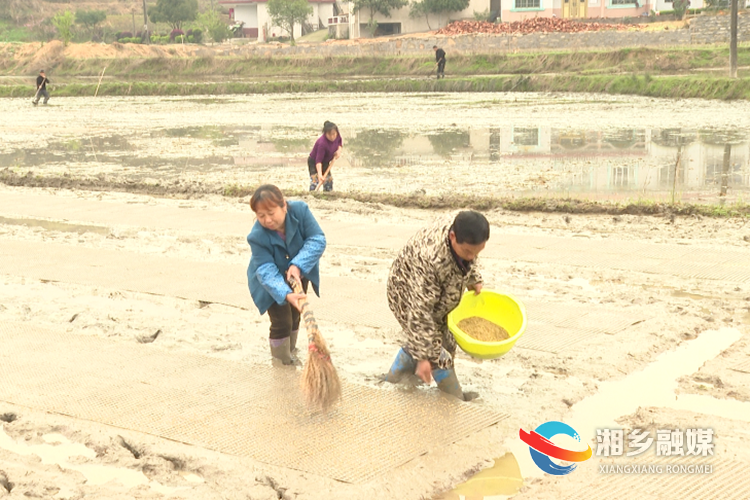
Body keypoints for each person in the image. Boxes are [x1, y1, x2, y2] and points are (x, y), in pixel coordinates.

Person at [385, 210, 490, 401]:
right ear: (452, 237)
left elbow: (470, 255)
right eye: (467, 252)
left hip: (434, 292)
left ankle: (394, 378)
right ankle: (454, 399)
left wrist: (473, 276)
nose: (472, 257)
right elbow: (420, 312)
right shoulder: (430, 260)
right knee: (438, 356)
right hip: (406, 293)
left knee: (447, 343)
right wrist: (425, 358)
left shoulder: (463, 228)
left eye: (477, 252)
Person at [246, 184, 326, 365]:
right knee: (282, 321)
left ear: (283, 206)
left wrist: (298, 265)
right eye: (261, 216)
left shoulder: (300, 211)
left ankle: (291, 352)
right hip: (269, 281)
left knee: (296, 316)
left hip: (298, 272)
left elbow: (317, 239)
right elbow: (266, 270)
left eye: (271, 213)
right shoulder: (256, 236)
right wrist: (286, 293)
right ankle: (281, 362)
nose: (267, 220)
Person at [308, 121, 343, 192]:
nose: (332, 136)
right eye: (330, 135)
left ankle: (328, 194)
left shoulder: (337, 136)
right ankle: (312, 194)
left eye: (334, 134)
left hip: (326, 162)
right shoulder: (322, 143)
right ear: (325, 133)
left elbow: (340, 141)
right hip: (314, 162)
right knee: (315, 180)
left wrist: (339, 150)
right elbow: (318, 161)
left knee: (328, 180)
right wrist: (320, 175)